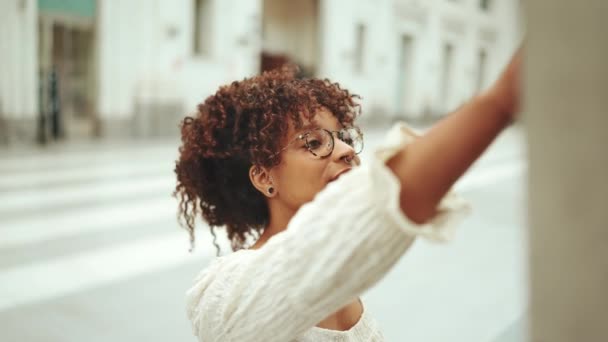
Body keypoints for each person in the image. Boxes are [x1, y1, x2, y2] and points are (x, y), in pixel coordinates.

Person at [173, 50, 521, 341]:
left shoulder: (343, 281)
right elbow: (379, 207)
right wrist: (500, 101)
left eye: (344, 138)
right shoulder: (224, 296)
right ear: (264, 177)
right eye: (313, 142)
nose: (345, 151)